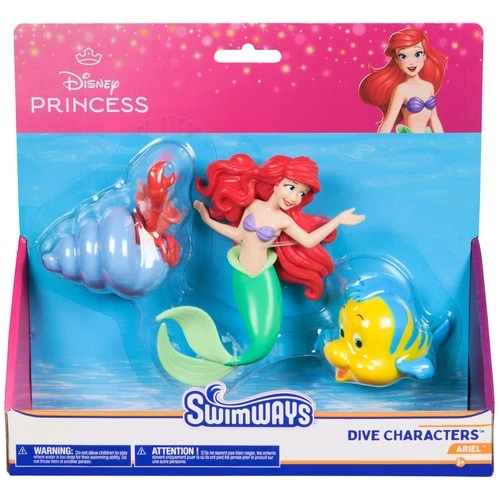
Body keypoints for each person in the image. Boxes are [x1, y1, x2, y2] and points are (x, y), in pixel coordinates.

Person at [156, 154, 365, 386]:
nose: (294, 197)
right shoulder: (253, 206)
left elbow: (308, 241)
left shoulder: (284, 221)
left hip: (263, 279)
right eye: (291, 187)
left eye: (301, 193)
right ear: (276, 183)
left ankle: (225, 361)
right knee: (255, 336)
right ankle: (218, 358)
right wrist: (206, 218)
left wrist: (338, 220)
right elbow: (238, 234)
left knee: (263, 341)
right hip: (241, 274)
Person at [359, 27, 448, 133]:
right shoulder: (401, 89)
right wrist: (380, 142)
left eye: (417, 54)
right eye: (403, 56)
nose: (411, 62)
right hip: (408, 138)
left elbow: (434, 120)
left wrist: (442, 140)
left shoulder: (429, 87)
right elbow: (389, 121)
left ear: (424, 56)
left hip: (426, 137)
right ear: (396, 60)